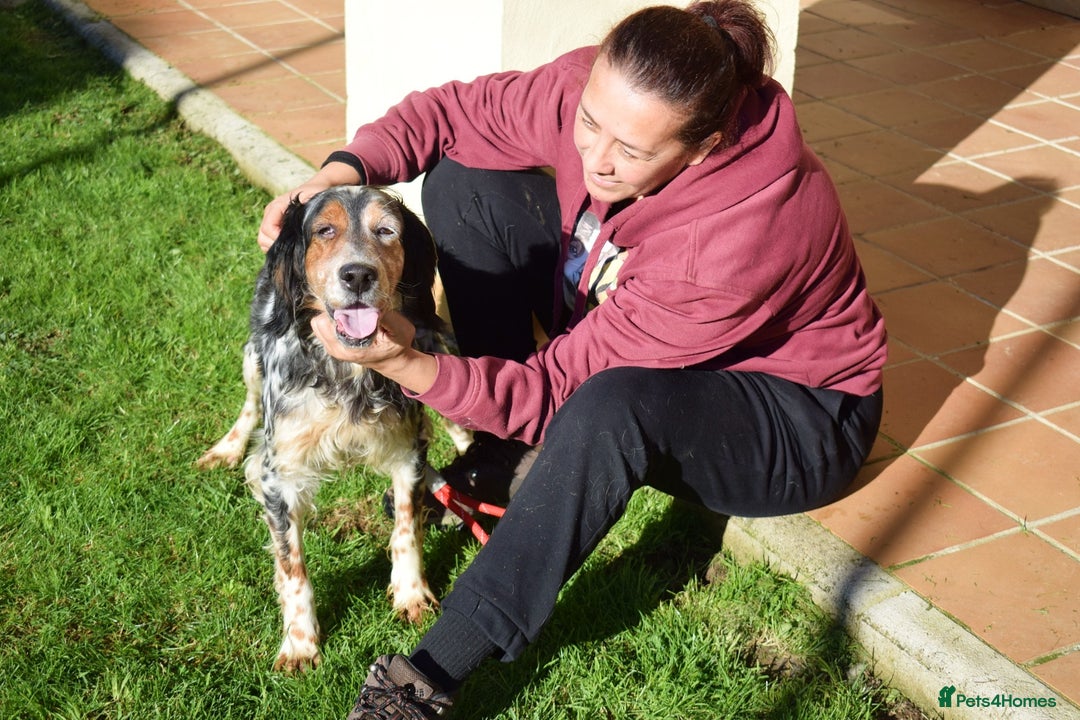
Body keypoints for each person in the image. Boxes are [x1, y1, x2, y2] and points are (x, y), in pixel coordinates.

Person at [258, 1, 887, 717]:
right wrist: (336, 172)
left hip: (796, 416)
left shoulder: (735, 240)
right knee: (468, 180)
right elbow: (451, 115)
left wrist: (402, 360)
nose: (596, 158)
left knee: (609, 407)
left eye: (632, 152)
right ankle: (499, 456)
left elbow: (557, 391)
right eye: (590, 124)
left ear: (707, 144)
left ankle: (431, 675)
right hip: (667, 335)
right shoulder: (601, 97)